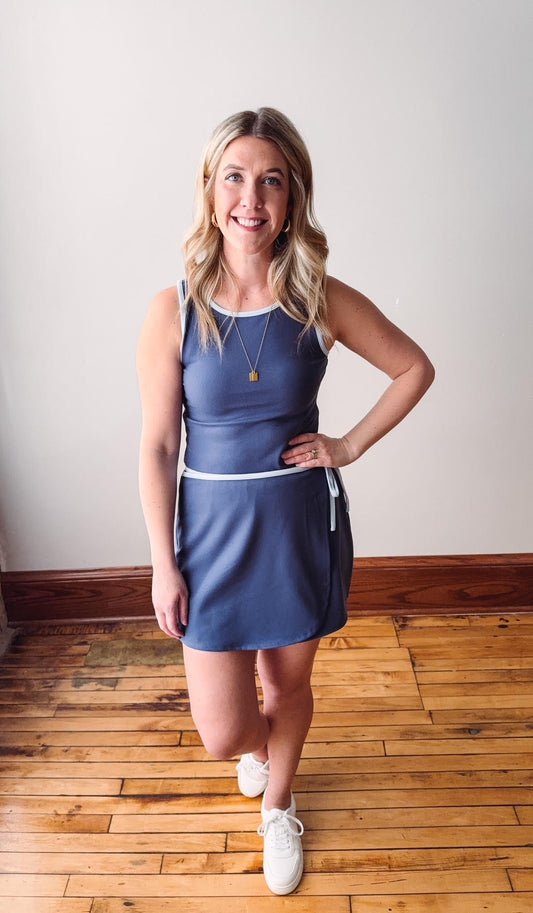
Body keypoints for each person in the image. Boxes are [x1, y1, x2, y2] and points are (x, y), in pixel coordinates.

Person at [137, 107, 435, 895]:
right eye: (234, 176)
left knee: (288, 685)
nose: (251, 197)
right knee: (221, 731)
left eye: (271, 179)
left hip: (297, 522)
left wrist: (346, 445)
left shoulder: (318, 296)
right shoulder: (172, 308)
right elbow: (159, 446)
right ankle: (260, 750)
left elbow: (412, 367)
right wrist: (163, 564)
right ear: (209, 190)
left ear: (292, 195)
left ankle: (279, 801)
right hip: (210, 531)